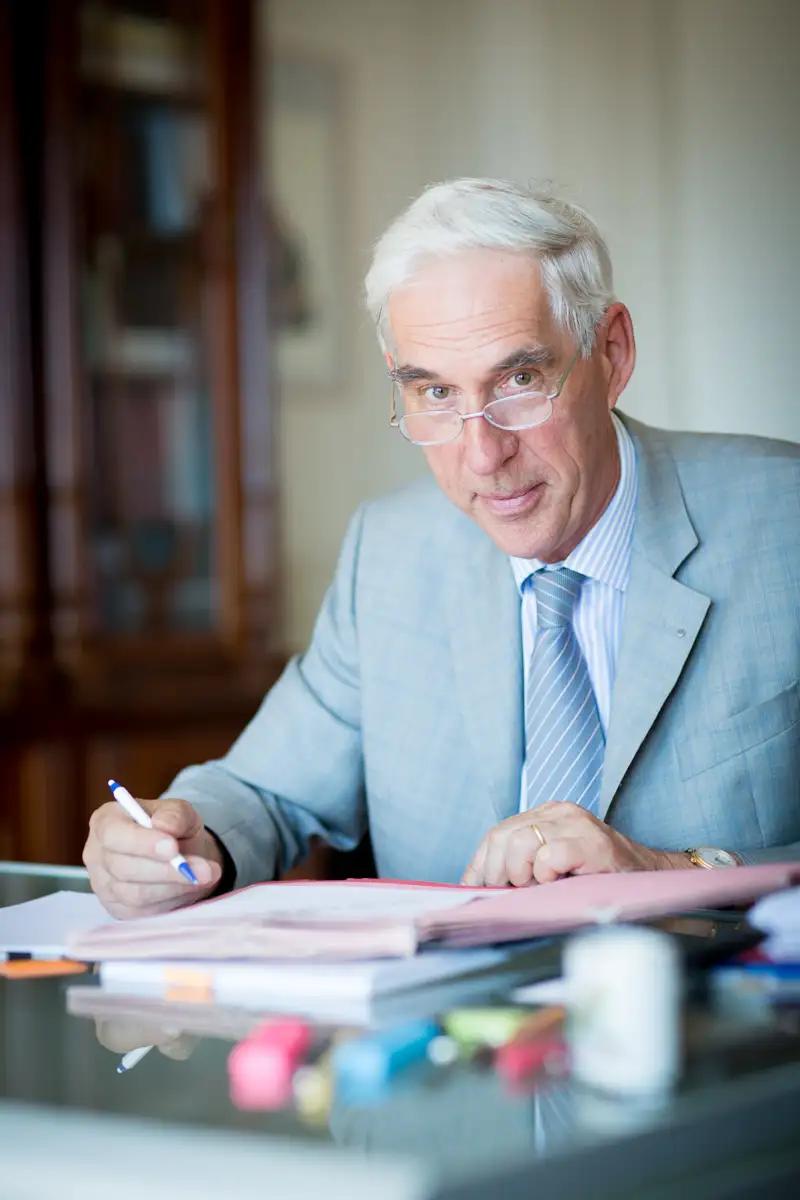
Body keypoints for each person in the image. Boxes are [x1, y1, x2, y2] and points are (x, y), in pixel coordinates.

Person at [84, 179, 800, 919]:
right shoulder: (389, 554)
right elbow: (262, 794)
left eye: (519, 380)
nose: (482, 454)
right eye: (435, 394)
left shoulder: (786, 521)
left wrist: (672, 870)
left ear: (611, 353)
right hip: (456, 1027)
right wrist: (182, 842)